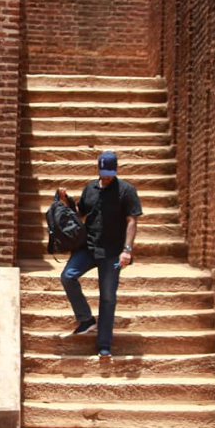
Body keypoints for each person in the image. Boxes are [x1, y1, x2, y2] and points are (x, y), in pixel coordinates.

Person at [58, 151, 142, 357]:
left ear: (115, 170)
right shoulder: (90, 188)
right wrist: (66, 201)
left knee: (107, 298)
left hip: (113, 253)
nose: (106, 176)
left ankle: (104, 345)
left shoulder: (126, 190)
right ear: (98, 169)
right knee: (67, 276)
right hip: (88, 247)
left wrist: (127, 250)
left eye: (110, 172)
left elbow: (132, 220)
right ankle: (86, 319)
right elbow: (81, 213)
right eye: (103, 172)